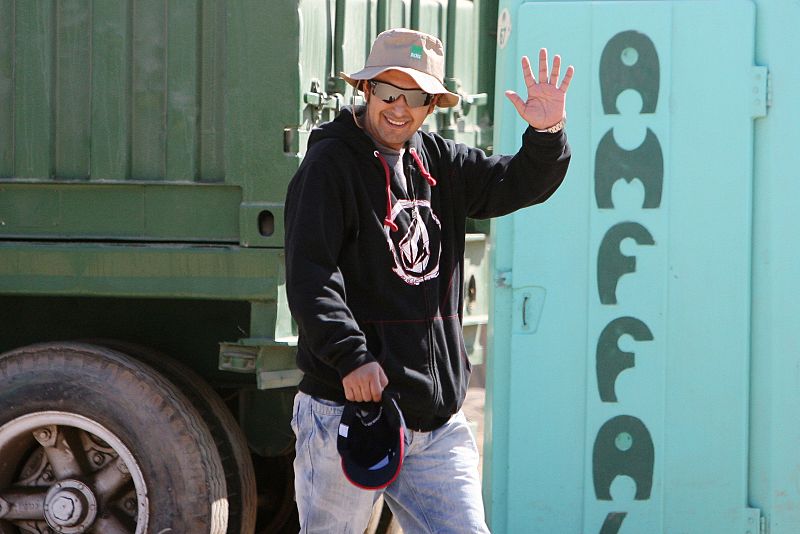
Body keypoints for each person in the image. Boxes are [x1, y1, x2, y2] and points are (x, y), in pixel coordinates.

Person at [285, 27, 573, 533]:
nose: (400, 108)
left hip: (436, 421)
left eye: (415, 97)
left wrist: (546, 135)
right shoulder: (329, 165)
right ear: (365, 90)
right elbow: (311, 274)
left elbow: (519, 183)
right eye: (388, 92)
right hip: (348, 410)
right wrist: (351, 356)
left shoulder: (439, 160)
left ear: (432, 104)